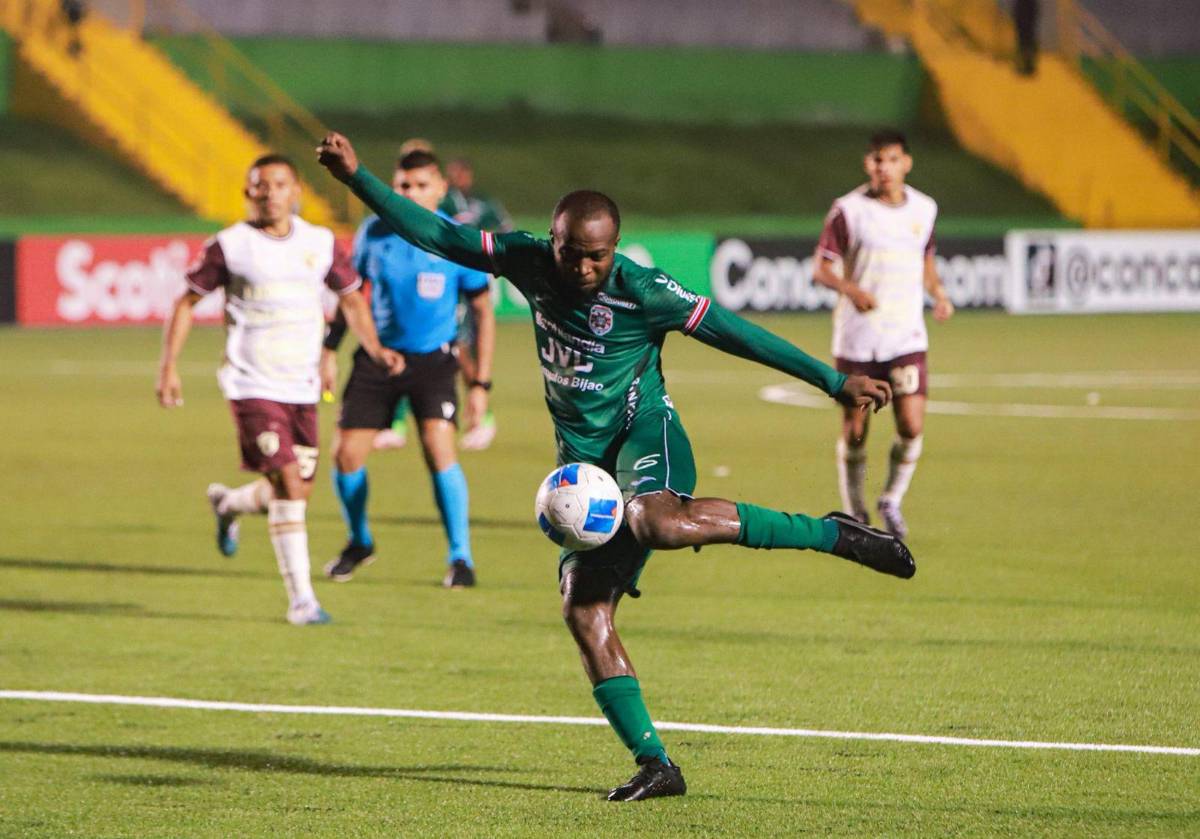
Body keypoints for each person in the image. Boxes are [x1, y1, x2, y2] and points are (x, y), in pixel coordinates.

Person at [317, 131, 915, 801]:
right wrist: (358, 179)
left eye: (597, 256)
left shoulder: (644, 289)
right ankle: (657, 763)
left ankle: (832, 531)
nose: (582, 268)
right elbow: (439, 236)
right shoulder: (527, 260)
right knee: (583, 610)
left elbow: (739, 334)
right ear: (553, 241)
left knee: (656, 519)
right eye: (572, 253)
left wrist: (833, 382)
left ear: (615, 248)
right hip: (583, 466)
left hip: (645, 434)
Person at [156, 153, 401, 626]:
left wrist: (373, 348)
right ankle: (302, 600)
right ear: (248, 193)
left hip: (302, 386)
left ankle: (228, 504)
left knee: (295, 493)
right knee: (290, 483)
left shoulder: (320, 242)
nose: (270, 192)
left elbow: (351, 300)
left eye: (280, 184)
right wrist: (168, 367)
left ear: (296, 191)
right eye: (260, 185)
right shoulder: (230, 246)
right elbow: (185, 303)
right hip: (251, 383)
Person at [320, 149, 495, 589]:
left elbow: (482, 310)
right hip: (378, 356)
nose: (411, 193)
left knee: (439, 449)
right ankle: (359, 542)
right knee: (346, 455)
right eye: (403, 186)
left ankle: (461, 558)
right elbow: (351, 295)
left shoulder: (456, 238)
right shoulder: (374, 233)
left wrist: (480, 383)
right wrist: (329, 348)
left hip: (435, 360)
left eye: (421, 185)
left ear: (440, 188)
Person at [813, 129, 954, 539]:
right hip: (858, 339)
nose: (884, 168)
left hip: (906, 337)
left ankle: (891, 498)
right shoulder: (848, 210)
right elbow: (821, 267)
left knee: (911, 424)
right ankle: (857, 512)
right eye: (877, 160)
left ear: (906, 163)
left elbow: (925, 260)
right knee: (855, 430)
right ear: (867, 164)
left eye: (891, 159)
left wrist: (939, 293)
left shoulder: (925, 209)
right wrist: (851, 290)